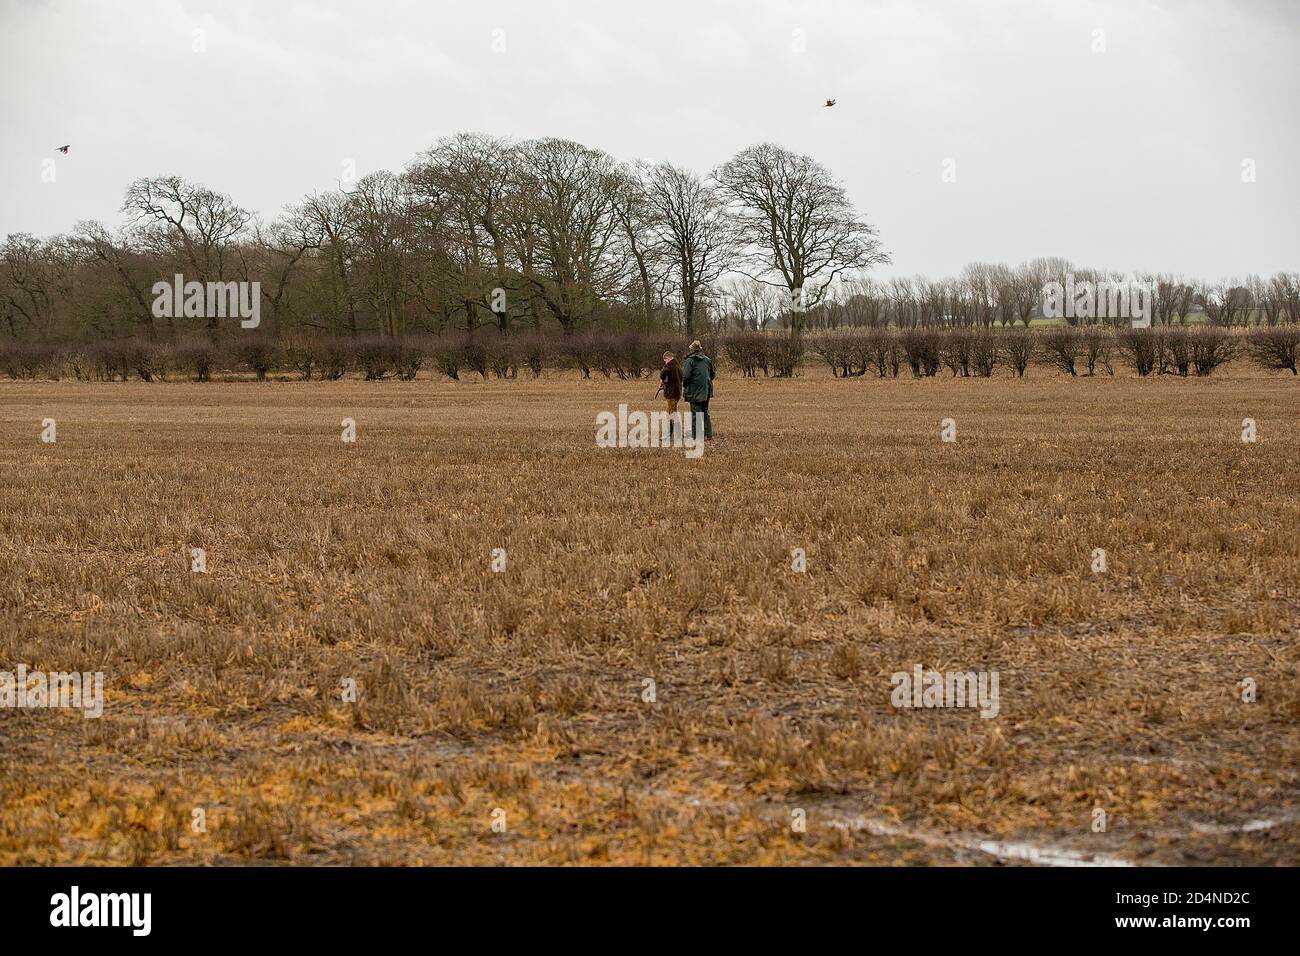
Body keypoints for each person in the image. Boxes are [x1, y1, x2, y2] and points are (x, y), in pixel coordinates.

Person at [681, 339, 715, 440]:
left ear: (692, 349)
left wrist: (686, 385)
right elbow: (712, 375)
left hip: (694, 391)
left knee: (696, 414)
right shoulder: (707, 360)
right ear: (700, 349)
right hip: (706, 390)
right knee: (705, 412)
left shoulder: (689, 361)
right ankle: (709, 435)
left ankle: (696, 436)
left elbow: (686, 377)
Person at [659, 350, 683, 439]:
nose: (665, 362)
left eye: (665, 360)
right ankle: (676, 434)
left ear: (668, 358)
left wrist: (665, 366)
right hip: (676, 393)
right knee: (672, 413)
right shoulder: (678, 366)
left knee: (670, 415)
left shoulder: (669, 367)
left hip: (671, 394)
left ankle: (668, 435)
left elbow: (662, 375)